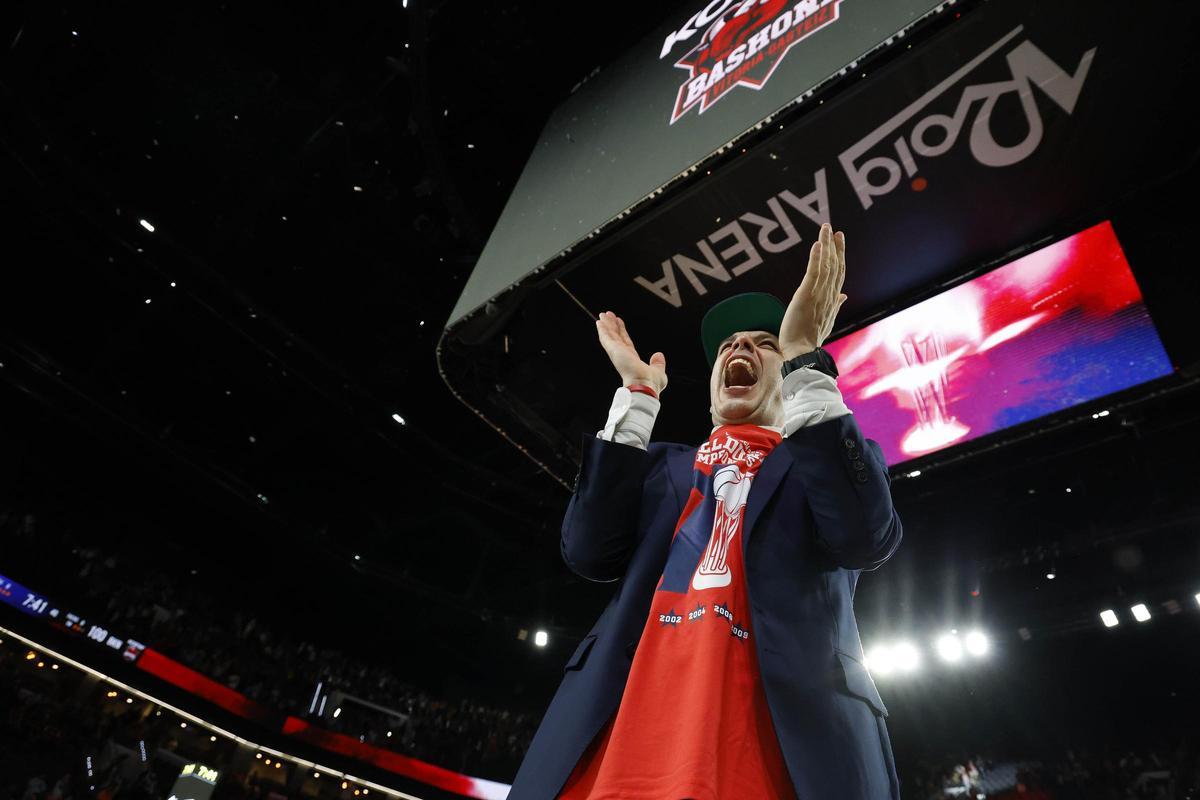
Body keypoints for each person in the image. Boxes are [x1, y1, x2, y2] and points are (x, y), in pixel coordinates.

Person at [509, 223, 903, 799]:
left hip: (777, 755)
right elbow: (588, 552)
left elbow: (866, 539)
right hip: (625, 748)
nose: (740, 347)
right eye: (727, 346)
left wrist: (804, 360)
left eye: (764, 343)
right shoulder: (659, 469)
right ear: (713, 385)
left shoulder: (822, 459)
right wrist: (639, 401)